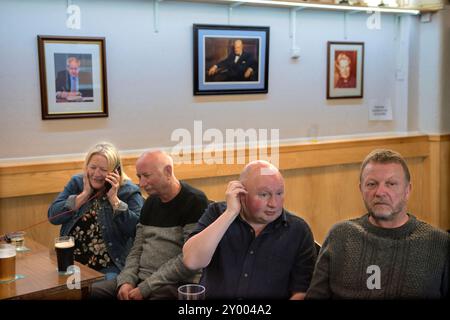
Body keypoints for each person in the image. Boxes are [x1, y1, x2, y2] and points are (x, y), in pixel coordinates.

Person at [306, 149, 450, 299]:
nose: (380, 192)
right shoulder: (340, 236)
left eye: (391, 184)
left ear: (407, 190)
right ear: (361, 189)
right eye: (371, 184)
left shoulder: (439, 244)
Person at [183, 160, 316, 299]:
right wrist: (230, 213)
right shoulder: (218, 214)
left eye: (279, 193)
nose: (274, 203)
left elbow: (301, 292)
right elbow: (192, 261)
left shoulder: (298, 231)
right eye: (264, 195)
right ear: (242, 194)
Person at [90, 150, 209, 299]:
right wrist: (126, 280)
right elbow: (136, 249)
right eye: (139, 177)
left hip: (175, 283)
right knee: (89, 292)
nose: (141, 184)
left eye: (146, 176)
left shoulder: (194, 201)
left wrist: (146, 287)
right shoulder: (151, 202)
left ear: (168, 171)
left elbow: (189, 260)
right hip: (142, 280)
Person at [48, 142, 144, 279]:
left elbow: (137, 230)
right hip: (72, 262)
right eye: (93, 167)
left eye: (104, 170)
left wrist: (114, 199)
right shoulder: (77, 183)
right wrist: (84, 194)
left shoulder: (128, 190)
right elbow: (53, 216)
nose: (96, 174)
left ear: (115, 171)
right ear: (86, 167)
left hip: (110, 265)